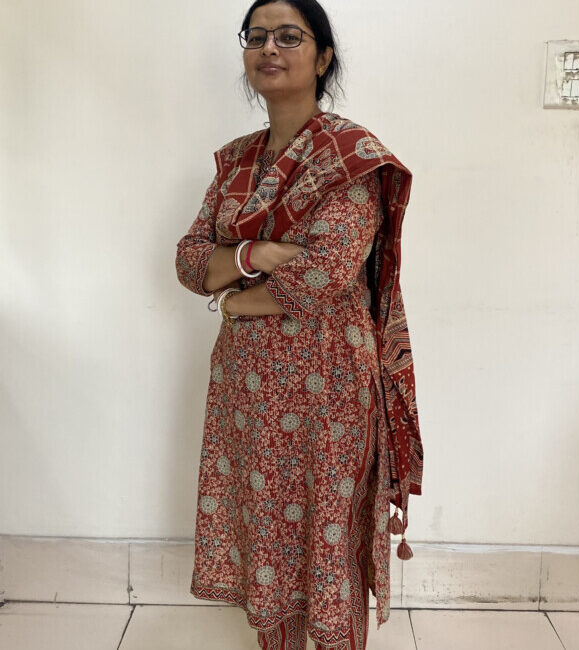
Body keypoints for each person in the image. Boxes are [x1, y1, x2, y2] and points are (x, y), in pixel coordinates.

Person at [175, 1, 423, 648]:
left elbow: (326, 273)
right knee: (266, 524)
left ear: (323, 56)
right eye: (255, 37)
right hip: (247, 388)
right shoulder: (234, 161)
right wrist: (259, 255)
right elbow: (189, 261)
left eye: (289, 36)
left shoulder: (352, 157)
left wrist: (236, 295)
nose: (269, 49)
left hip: (328, 383)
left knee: (327, 529)